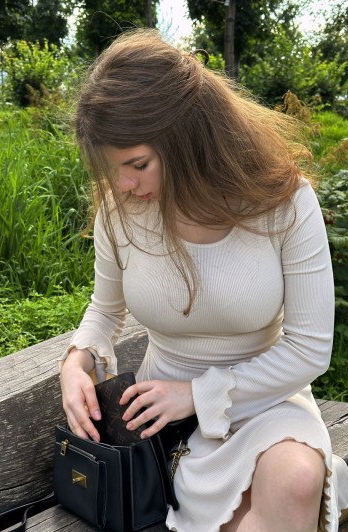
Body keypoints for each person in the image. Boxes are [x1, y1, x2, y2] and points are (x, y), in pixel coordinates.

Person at [59, 28, 348, 532]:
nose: (124, 183)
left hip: (266, 400)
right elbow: (105, 310)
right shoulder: (120, 210)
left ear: (190, 139)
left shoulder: (284, 202)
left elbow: (309, 349)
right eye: (114, 168)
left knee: (297, 479)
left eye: (138, 164)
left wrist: (195, 394)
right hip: (162, 422)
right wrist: (75, 363)